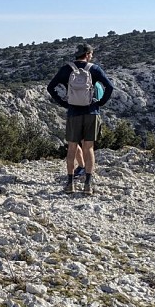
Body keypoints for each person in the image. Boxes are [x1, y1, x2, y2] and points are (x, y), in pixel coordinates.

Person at [47, 44, 114, 195]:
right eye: (91, 54)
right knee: (88, 148)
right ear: (88, 54)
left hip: (73, 113)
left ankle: (70, 184)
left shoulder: (66, 69)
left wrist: (64, 103)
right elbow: (109, 87)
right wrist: (100, 103)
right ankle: (87, 185)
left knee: (71, 148)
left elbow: (50, 87)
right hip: (91, 112)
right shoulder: (95, 69)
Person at [73, 81, 105, 178]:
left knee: (73, 142)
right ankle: (88, 172)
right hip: (92, 115)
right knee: (88, 146)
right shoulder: (97, 83)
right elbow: (102, 97)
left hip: (76, 114)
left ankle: (82, 166)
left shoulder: (75, 79)